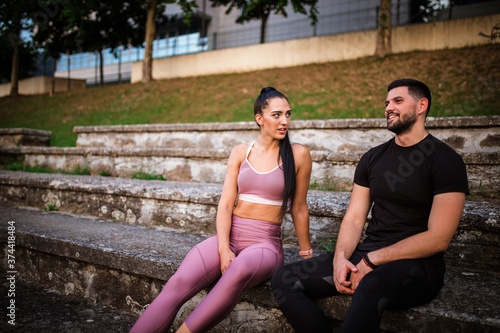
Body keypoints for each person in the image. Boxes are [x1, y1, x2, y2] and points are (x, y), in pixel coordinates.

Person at [271, 78, 469, 332]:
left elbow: (439, 238)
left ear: (422, 106)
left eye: (398, 101)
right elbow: (354, 217)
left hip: (418, 266)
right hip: (368, 254)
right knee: (283, 280)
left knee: (371, 284)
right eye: (387, 102)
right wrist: (340, 259)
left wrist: (373, 260)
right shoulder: (373, 158)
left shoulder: (446, 161)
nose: (388, 107)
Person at [130, 87, 313, 333]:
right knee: (178, 282)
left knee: (236, 270)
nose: (285, 121)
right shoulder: (241, 152)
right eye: (277, 115)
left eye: (288, 115)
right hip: (231, 237)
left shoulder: (298, 154)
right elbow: (226, 204)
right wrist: (224, 248)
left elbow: (299, 208)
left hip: (264, 246)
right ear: (259, 118)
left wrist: (307, 256)